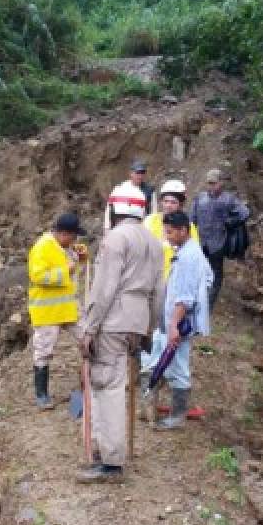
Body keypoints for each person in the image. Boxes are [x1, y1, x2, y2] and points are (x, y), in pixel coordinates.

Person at [77, 183, 163, 483]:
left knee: (108, 386)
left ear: (114, 209)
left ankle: (111, 462)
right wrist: (150, 328)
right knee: (118, 384)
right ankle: (108, 452)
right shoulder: (154, 242)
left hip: (113, 321)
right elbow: (158, 292)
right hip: (136, 321)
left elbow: (103, 289)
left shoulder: (115, 239)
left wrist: (89, 327)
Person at [146, 211, 213, 429]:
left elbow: (185, 298)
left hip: (178, 322)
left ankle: (177, 416)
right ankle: (153, 406)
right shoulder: (187, 252)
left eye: (171, 232)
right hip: (171, 320)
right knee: (164, 362)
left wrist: (174, 325)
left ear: (184, 230)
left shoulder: (188, 257)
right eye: (165, 231)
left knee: (178, 366)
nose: (167, 236)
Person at [27, 213, 88, 409]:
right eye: (73, 236)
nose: (75, 240)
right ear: (63, 233)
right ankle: (41, 395)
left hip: (69, 308)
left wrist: (82, 259)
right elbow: (37, 276)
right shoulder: (42, 247)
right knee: (44, 351)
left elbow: (74, 272)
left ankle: (89, 381)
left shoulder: (65, 247)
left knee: (88, 337)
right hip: (48, 311)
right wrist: (66, 270)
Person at [189, 169, 249, 306]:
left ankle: (209, 305)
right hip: (201, 242)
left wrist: (231, 222)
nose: (211, 186)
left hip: (218, 243)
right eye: (209, 183)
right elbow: (191, 220)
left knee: (216, 274)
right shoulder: (200, 198)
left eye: (214, 183)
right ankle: (197, 300)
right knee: (199, 272)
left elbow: (245, 212)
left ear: (221, 183)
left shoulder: (228, 199)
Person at [143, 179, 199, 280]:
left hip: (175, 280)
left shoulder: (188, 228)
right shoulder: (150, 220)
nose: (168, 205)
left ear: (181, 205)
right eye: (166, 201)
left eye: (173, 202)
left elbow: (193, 256)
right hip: (150, 279)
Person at [104, 160, 155, 232]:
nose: (140, 176)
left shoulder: (149, 191)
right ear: (131, 173)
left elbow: (153, 214)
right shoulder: (119, 189)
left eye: (142, 173)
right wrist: (107, 228)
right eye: (137, 173)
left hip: (139, 229)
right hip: (118, 228)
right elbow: (109, 209)